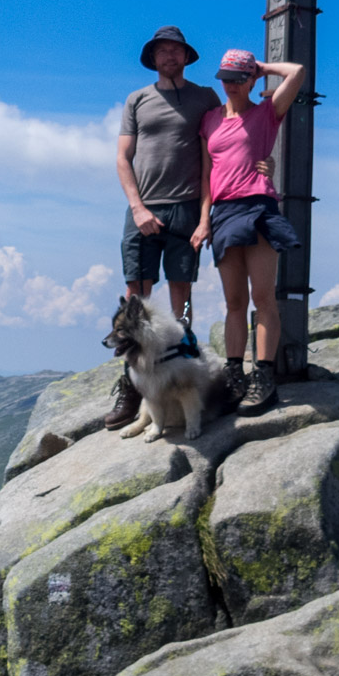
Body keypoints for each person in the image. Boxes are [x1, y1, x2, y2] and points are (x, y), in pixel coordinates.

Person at [105, 26, 221, 430]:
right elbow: (123, 158)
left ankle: (184, 374)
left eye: (176, 51)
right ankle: (132, 388)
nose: (169, 56)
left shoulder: (206, 98)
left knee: (181, 297)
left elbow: (214, 158)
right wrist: (137, 208)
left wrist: (205, 217)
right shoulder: (137, 99)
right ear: (153, 58)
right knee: (134, 296)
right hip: (143, 208)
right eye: (162, 51)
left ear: (186, 57)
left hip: (187, 208)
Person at [190, 48, 306, 416]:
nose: (231, 86)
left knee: (263, 298)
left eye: (239, 79)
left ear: (251, 80)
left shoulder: (267, 114)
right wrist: (204, 220)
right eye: (226, 78)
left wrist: (262, 68)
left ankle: (264, 378)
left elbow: (298, 72)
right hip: (223, 213)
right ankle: (235, 375)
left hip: (257, 207)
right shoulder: (209, 120)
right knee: (234, 303)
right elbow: (207, 177)